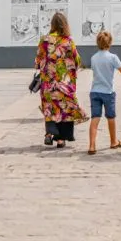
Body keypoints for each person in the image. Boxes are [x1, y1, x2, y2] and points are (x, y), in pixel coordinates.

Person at [35, 12, 87, 147]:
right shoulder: (68, 41)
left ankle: (49, 133)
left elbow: (38, 60)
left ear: (52, 24)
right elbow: (77, 60)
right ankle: (60, 139)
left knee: (50, 108)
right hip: (64, 83)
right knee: (64, 109)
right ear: (65, 25)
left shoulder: (44, 40)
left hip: (48, 83)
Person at [87, 30, 121, 155]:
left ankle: (91, 145)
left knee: (95, 117)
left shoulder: (93, 58)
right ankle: (113, 141)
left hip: (95, 91)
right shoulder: (112, 57)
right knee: (111, 117)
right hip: (108, 92)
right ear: (110, 43)